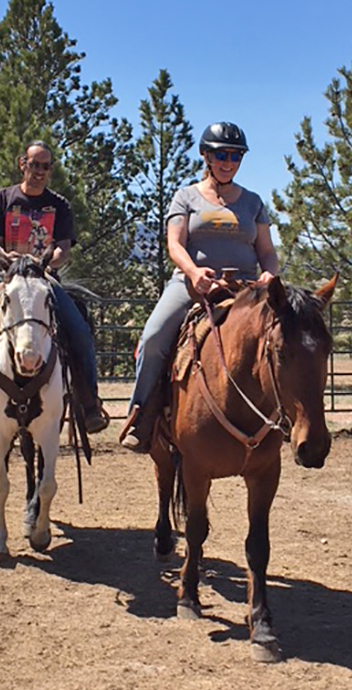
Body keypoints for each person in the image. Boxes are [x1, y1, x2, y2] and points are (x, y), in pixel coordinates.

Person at [119, 122, 279, 453]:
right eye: (221, 154)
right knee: (153, 338)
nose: (229, 161)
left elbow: (267, 251)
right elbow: (175, 244)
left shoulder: (253, 202)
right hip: (194, 285)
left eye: (236, 156)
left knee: (289, 338)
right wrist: (193, 272)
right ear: (206, 155)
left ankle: (291, 416)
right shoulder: (186, 197)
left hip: (245, 289)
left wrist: (269, 276)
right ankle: (142, 415)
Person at [0, 141, 109, 434]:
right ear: (21, 163)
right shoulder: (2, 199)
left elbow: (64, 248)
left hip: (44, 279)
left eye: (45, 166)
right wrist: (5, 258)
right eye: (34, 164)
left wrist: (50, 263)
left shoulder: (60, 205)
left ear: (50, 170)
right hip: (4, 276)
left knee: (78, 329)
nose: (39, 171)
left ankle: (88, 402)